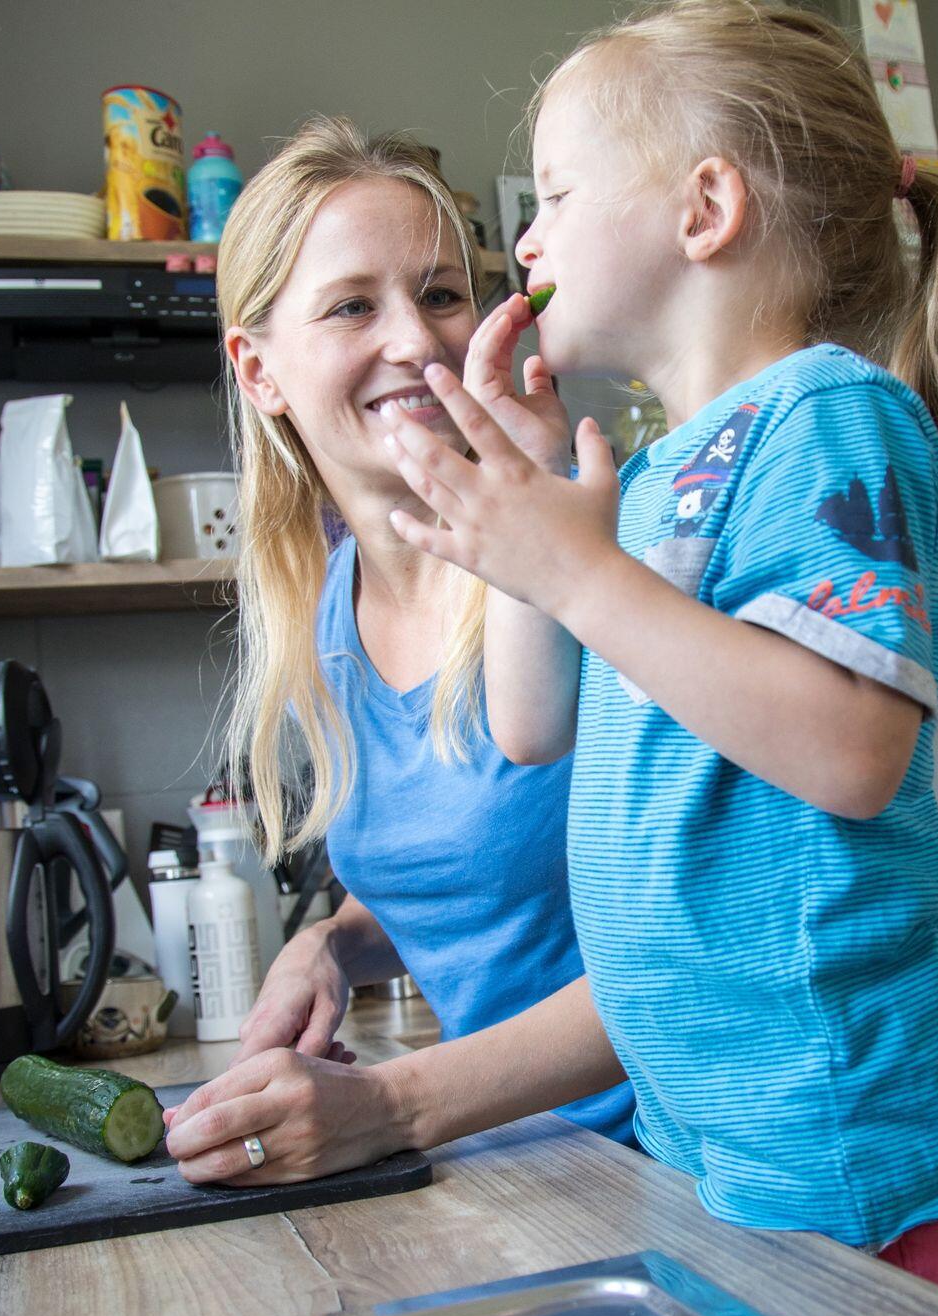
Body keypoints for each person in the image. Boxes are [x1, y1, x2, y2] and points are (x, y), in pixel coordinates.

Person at [377, 0, 938, 1312]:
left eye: (560, 194)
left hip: (858, 1152)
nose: (521, 238)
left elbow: (854, 749)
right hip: (729, 1152)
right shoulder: (644, 480)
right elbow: (533, 724)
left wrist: (574, 565)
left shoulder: (829, 415)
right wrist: (532, 515)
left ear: (706, 208)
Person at [160, 117, 633, 1186]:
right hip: (528, 1181)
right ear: (259, 368)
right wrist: (326, 944)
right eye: (350, 306)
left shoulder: (594, 543)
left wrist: (386, 1103)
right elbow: (472, 883)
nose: (416, 341)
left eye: (438, 293)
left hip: (692, 1172)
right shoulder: (327, 613)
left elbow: (706, 929)